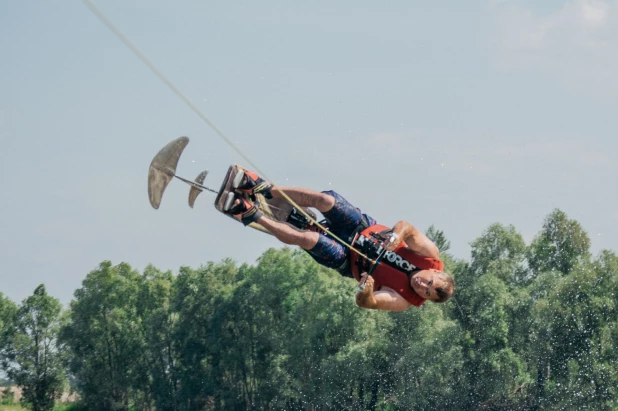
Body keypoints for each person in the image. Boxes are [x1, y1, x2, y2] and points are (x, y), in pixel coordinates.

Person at [223, 170, 455, 312]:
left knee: (307, 238)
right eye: (429, 283)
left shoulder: (403, 300)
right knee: (325, 200)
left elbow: (367, 303)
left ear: (424, 299)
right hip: (360, 227)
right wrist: (396, 235)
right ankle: (260, 187)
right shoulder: (430, 256)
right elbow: (408, 228)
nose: (422, 286)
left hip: (345, 258)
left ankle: (248, 213)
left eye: (426, 293)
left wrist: (366, 290)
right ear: (434, 274)